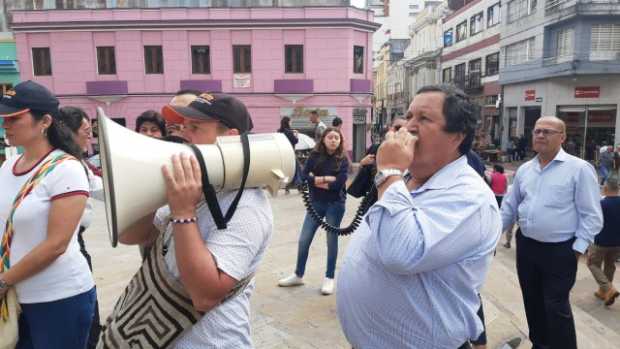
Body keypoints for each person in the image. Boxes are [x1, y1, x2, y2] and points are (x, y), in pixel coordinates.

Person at [99, 93, 272, 348]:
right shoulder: (195, 183)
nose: (183, 135)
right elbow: (132, 235)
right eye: (183, 127)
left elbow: (204, 295)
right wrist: (148, 189)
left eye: (195, 128)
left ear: (230, 137)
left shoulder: (248, 205)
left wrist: (183, 214)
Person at [336, 84, 501, 348]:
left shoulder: (470, 196)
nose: (408, 127)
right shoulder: (408, 179)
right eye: (409, 116)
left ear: (457, 136)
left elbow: (400, 253)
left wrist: (389, 170)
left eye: (424, 119)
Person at [0, 80, 95, 348]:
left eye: (14, 118)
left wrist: (3, 281)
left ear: (44, 122)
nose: (5, 124)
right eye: (3, 118)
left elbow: (56, 244)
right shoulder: (8, 167)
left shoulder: (67, 169)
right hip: (15, 296)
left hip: (58, 298)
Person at [501, 116, 603, 349]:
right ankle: (540, 344)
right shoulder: (526, 169)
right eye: (537, 131)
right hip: (526, 246)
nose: (540, 135)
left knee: (555, 306)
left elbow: (592, 215)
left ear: (562, 137)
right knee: (532, 301)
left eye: (547, 131)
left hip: (560, 250)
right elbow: (509, 206)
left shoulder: (579, 169)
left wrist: (576, 250)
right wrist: (489, 238)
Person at [278, 127, 349, 295]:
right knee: (304, 239)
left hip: (335, 205)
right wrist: (325, 179)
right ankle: (298, 274)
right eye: (330, 137)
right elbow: (303, 176)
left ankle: (329, 278)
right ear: (323, 139)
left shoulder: (343, 159)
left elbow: (339, 182)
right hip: (316, 203)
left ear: (340, 141)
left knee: (331, 242)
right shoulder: (315, 156)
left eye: (336, 138)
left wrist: (317, 180)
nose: (333, 140)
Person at [57, 106, 105, 349]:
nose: (90, 137)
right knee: (85, 312)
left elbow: (101, 188)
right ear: (69, 132)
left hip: (76, 241)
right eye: (86, 131)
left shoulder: (79, 164)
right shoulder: (68, 166)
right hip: (70, 242)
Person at [348, 116, 407, 206]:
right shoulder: (376, 148)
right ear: (389, 128)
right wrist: (362, 164)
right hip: (374, 200)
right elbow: (363, 180)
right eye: (398, 128)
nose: (401, 132)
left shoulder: (412, 152)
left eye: (406, 129)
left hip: (398, 203)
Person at [587, 175, 620, 306]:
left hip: (601, 241)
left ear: (605, 188)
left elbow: (593, 222)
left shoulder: (601, 204)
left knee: (592, 264)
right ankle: (603, 292)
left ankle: (608, 288)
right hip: (617, 242)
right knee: (610, 265)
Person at [277, 116, 300, 193]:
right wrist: (296, 134)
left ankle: (287, 187)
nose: (291, 123)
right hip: (291, 154)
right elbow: (295, 141)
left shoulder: (279, 132)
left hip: (282, 154)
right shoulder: (289, 132)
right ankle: (299, 186)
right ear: (288, 122)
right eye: (290, 121)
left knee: (286, 171)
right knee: (297, 170)